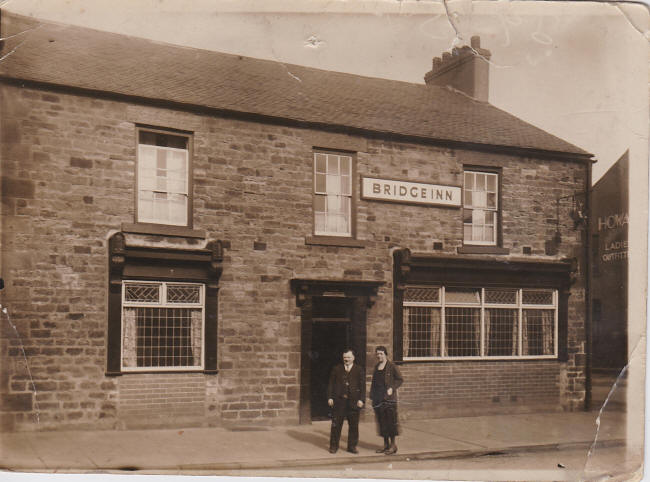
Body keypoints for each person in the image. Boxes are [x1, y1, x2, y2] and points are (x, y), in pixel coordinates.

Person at [327, 349, 365, 454]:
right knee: (336, 425)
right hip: (339, 402)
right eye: (344, 358)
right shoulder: (336, 369)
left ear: (353, 358)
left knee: (353, 426)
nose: (346, 360)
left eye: (348, 357)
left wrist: (361, 399)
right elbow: (331, 384)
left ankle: (352, 447)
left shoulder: (359, 370)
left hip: (353, 402)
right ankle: (334, 446)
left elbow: (362, 386)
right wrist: (330, 397)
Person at [370, 345, 403, 455]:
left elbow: (400, 379)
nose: (379, 356)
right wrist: (372, 396)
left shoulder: (391, 366)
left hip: (388, 399)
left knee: (391, 422)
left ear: (386, 354)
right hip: (378, 399)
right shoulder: (376, 367)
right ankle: (386, 445)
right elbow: (374, 383)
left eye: (381, 354)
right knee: (382, 422)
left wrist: (391, 388)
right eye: (377, 354)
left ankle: (393, 446)